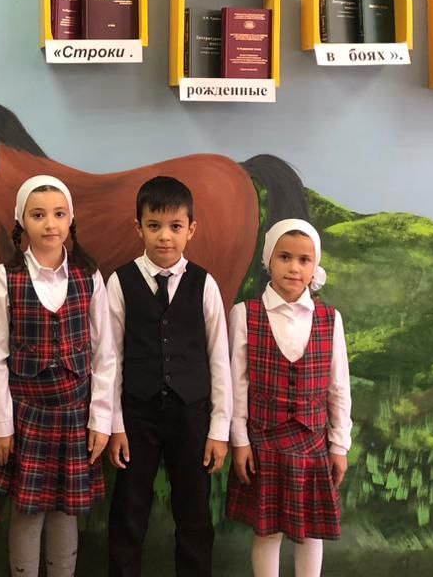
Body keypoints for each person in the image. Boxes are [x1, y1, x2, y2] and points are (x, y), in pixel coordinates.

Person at [0, 175, 116, 577]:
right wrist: (1, 426)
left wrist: (101, 419)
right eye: (38, 215)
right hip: (26, 414)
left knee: (65, 510)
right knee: (28, 511)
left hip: (76, 415)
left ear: (70, 219)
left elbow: (105, 354)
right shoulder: (7, 277)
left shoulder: (88, 275)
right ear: (21, 221)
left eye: (59, 214)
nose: (50, 224)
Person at [106, 176, 232, 576]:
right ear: (139, 227)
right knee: (129, 512)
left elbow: (219, 359)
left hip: (191, 415)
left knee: (194, 515)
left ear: (191, 230)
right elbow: (109, 358)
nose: (165, 236)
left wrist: (219, 429)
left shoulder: (204, 284)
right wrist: (114, 424)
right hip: (137, 416)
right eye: (154, 225)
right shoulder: (120, 282)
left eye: (175, 226)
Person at [225, 219, 352, 577]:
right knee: (267, 531)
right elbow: (237, 385)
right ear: (269, 261)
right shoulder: (245, 314)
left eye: (303, 260)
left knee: (311, 532)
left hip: (312, 442)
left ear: (314, 266)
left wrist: (339, 445)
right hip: (264, 440)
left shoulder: (330, 319)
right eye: (285, 257)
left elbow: (338, 387)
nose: (294, 268)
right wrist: (240, 440)